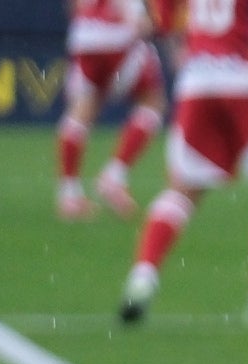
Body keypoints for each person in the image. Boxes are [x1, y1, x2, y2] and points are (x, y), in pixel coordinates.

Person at [118, 0, 248, 327]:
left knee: (181, 192)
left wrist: (178, 45)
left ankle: (142, 277)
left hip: (199, 79)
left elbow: (163, 9)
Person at [55, 0, 164, 222]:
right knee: (152, 102)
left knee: (82, 110)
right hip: (118, 33)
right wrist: (143, 21)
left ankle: (69, 194)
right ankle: (114, 176)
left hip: (84, 35)